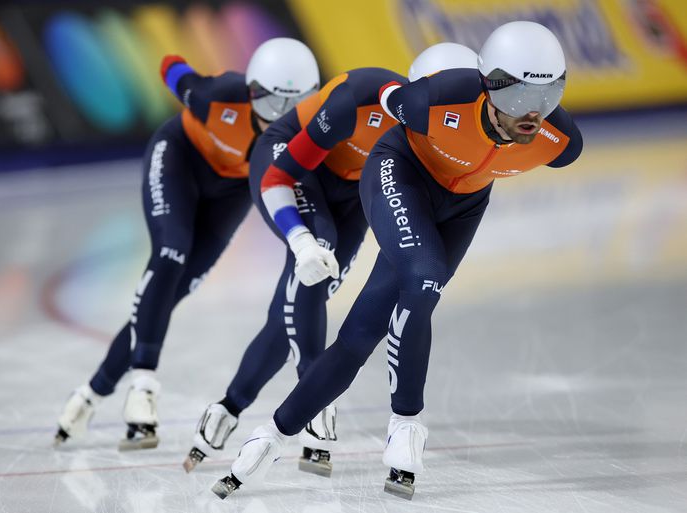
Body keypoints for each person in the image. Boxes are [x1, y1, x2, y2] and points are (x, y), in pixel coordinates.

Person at [212, 21, 583, 501]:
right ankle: (407, 424)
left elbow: (535, 121)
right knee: (425, 279)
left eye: (548, 96)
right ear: (486, 87)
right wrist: (301, 235)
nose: (531, 113)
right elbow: (372, 99)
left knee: (363, 330)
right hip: (400, 173)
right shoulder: (429, 101)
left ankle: (274, 433)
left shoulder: (560, 141)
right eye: (515, 96)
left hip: (464, 205)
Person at [185, 42, 479, 475]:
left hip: (351, 193)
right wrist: (300, 238)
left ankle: (227, 409)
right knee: (315, 258)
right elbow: (279, 175)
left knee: (289, 312)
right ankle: (310, 400)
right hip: (293, 164)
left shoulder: (456, 131)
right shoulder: (360, 97)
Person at [52, 37, 320, 450]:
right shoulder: (217, 96)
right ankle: (143, 386)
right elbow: (170, 65)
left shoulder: (312, 129)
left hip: (231, 193)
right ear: (251, 91)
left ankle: (90, 394)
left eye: (296, 105)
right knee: (169, 254)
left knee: (171, 292)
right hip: (180, 158)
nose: (281, 117)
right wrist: (180, 73)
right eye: (271, 103)